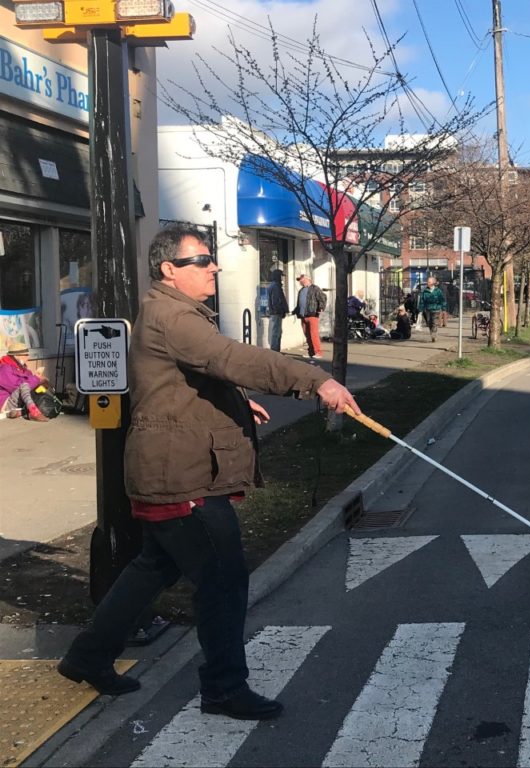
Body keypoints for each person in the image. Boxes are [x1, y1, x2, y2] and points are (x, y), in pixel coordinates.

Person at [57, 224, 361, 721]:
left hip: (174, 468)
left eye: (212, 259)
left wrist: (240, 405)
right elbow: (228, 358)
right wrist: (315, 381)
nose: (213, 267)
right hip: (180, 476)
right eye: (202, 260)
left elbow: (191, 379)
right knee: (222, 580)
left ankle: (87, 656)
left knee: (154, 566)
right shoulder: (172, 316)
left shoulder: (174, 313)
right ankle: (223, 688)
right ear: (169, 270)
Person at [0, 347, 49, 422]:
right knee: (24, 386)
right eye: (25, 355)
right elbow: (17, 386)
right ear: (16, 356)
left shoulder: (22, 368)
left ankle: (20, 412)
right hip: (5, 402)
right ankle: (34, 412)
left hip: (16, 400)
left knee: (41, 385)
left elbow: (29, 382)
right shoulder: (5, 368)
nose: (28, 358)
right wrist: (36, 378)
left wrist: (40, 380)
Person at [293, 273, 327, 359]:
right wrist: (295, 311)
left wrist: (321, 307)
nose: (300, 281)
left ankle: (318, 352)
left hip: (312, 315)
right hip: (303, 316)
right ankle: (311, 352)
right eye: (299, 280)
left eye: (301, 279)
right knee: (307, 335)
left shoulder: (315, 288)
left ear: (307, 279)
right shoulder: (301, 290)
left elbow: (323, 297)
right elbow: (299, 303)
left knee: (313, 334)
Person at [418, 276, 447, 343]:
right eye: (427, 282)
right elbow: (422, 301)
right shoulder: (425, 291)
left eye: (429, 282)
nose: (427, 283)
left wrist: (443, 308)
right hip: (428, 309)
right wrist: (420, 309)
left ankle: (434, 335)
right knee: (429, 322)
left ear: (433, 283)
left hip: (436, 309)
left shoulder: (438, 291)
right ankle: (432, 333)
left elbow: (442, 300)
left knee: (434, 322)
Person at [267, 270, 288, 352]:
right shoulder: (276, 286)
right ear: (278, 276)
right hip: (277, 313)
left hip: (275, 313)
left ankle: (276, 351)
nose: (282, 278)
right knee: (276, 332)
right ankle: (275, 351)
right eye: (281, 276)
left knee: (277, 332)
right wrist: (281, 311)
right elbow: (276, 301)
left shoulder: (273, 286)